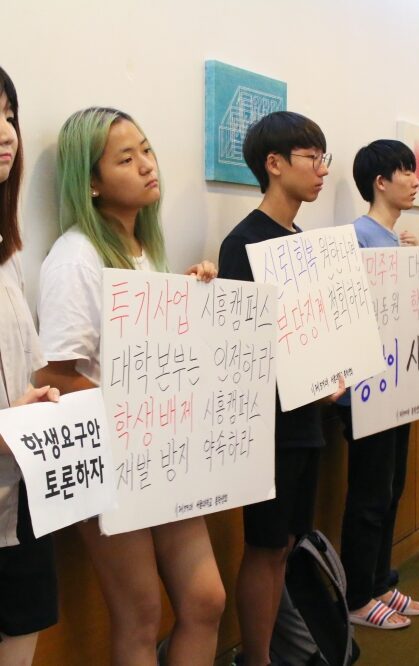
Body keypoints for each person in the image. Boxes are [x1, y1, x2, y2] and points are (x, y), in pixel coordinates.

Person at [36, 107, 225, 666]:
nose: (146, 165)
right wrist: (131, 407)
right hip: (108, 460)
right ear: (91, 183)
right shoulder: (75, 256)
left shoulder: (146, 249)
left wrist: (189, 300)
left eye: (145, 150)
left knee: (206, 599)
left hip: (162, 449)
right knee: (140, 615)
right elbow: (53, 374)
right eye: (125, 158)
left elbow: (148, 353)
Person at [218, 111, 342, 666]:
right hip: (268, 427)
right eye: (312, 158)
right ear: (274, 164)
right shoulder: (243, 243)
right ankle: (256, 658)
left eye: (323, 158)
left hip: (307, 420)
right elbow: (239, 347)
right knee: (265, 545)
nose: (322, 170)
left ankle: (268, 653)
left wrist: (333, 372)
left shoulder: (303, 243)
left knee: (287, 544)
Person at [336, 139, 419, 630]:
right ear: (380, 181)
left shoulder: (394, 240)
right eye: (405, 171)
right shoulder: (357, 237)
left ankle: (380, 581)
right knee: (369, 492)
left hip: (399, 385)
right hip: (366, 391)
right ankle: (357, 595)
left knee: (391, 488)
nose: (415, 180)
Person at [0, 66, 59, 666]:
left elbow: (26, 369)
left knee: (24, 633)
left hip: (21, 495)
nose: (6, 133)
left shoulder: (8, 256)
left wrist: (38, 403)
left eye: (9, 115)